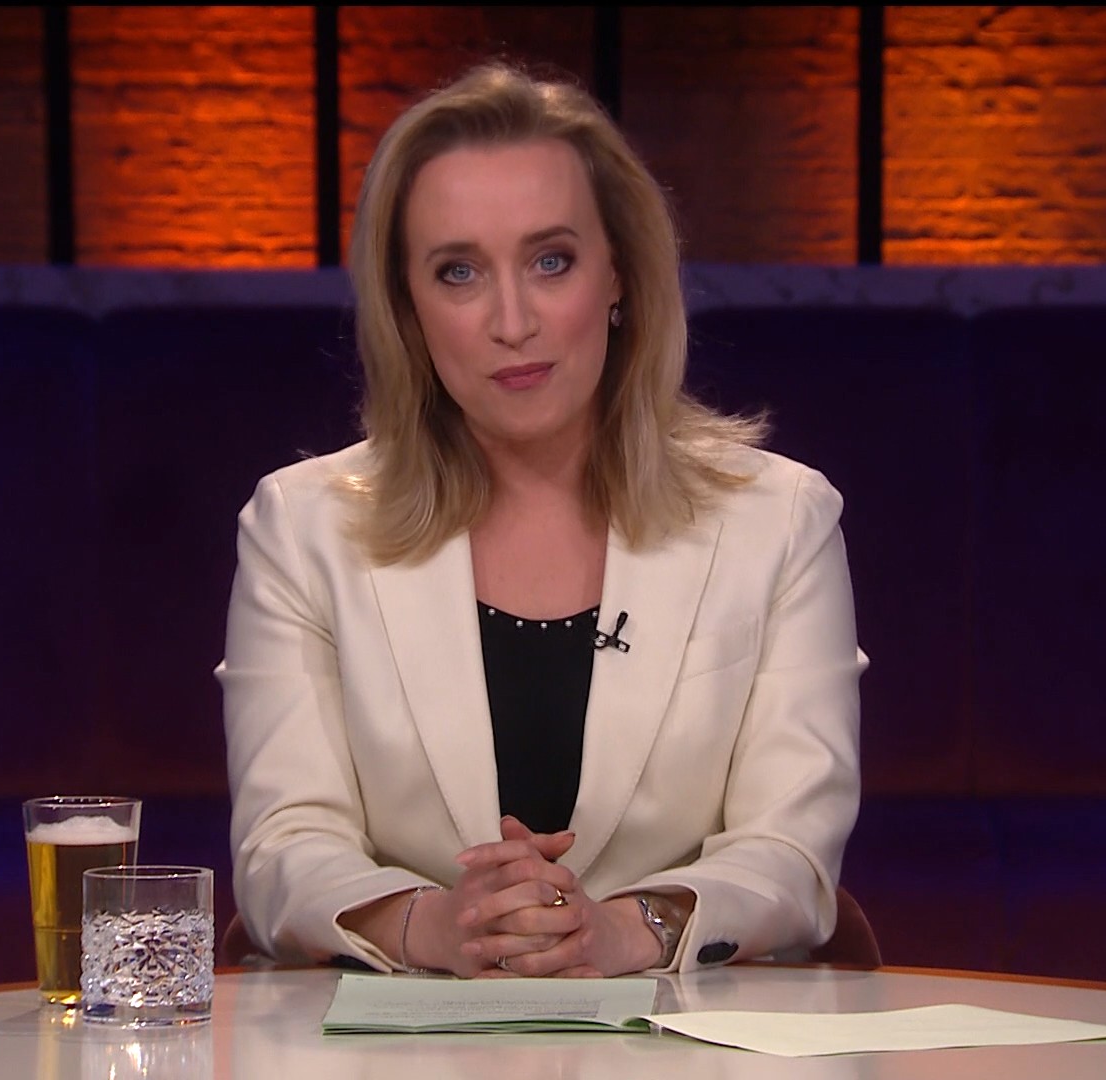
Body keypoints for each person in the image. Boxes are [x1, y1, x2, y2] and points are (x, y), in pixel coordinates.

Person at [219, 61, 863, 978]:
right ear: (407, 307)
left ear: (619, 275)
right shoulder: (302, 529)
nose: (512, 320)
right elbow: (283, 846)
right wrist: (439, 926)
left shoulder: (779, 522)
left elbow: (792, 854)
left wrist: (623, 930)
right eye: (458, 272)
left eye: (550, 261)